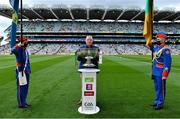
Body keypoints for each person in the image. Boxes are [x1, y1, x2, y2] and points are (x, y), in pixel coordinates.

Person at [149, 33, 172, 110]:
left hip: (161, 71)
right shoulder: (157, 48)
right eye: (157, 39)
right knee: (157, 88)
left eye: (159, 39)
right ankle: (156, 101)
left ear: (164, 40)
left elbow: (167, 63)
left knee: (161, 88)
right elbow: (151, 48)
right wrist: (150, 42)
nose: (157, 40)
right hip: (155, 71)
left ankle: (160, 103)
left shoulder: (166, 50)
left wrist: (165, 74)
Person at [76, 35, 99, 105]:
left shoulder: (96, 48)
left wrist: (99, 55)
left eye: (90, 39)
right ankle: (82, 99)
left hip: (93, 69)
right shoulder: (81, 48)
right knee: (84, 85)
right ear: (85, 40)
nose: (89, 41)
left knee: (93, 85)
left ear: (92, 41)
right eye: (88, 39)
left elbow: (99, 60)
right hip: (83, 69)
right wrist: (79, 55)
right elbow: (78, 59)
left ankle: (93, 99)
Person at [11, 36, 31, 109]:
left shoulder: (25, 49)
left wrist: (29, 69)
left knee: (25, 88)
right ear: (22, 42)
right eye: (26, 40)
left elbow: (27, 61)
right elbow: (12, 50)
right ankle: (20, 104)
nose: (27, 42)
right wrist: (18, 45)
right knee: (20, 88)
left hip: (26, 71)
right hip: (20, 71)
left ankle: (24, 102)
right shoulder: (18, 49)